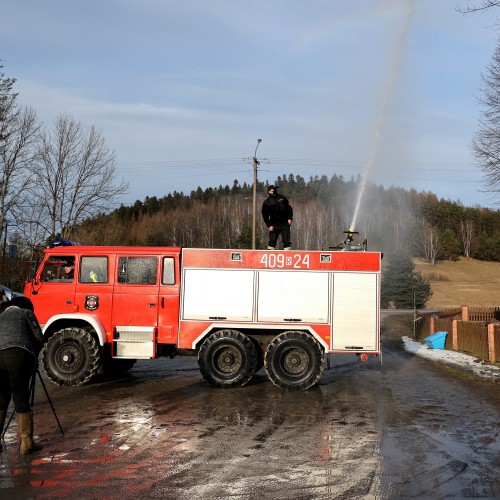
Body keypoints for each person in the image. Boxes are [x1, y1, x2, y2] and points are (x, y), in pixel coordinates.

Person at [0, 296, 44, 454]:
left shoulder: (1, 315)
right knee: (20, 395)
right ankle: (26, 443)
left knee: (2, 396)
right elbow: (39, 338)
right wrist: (33, 359)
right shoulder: (26, 313)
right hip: (18, 354)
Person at [261, 185, 293, 250]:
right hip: (274, 224)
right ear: (269, 192)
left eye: (275, 190)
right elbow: (265, 215)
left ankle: (287, 255)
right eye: (273, 190)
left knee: (286, 241)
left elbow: (289, 208)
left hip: (285, 223)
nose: (275, 191)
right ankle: (270, 255)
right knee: (272, 241)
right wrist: (269, 225)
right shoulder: (267, 202)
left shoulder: (283, 198)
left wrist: (290, 218)